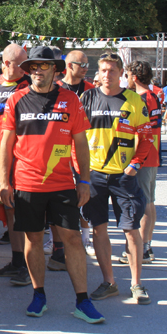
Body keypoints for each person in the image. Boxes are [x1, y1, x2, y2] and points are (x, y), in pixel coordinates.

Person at [0, 47, 104, 323]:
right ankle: (38, 295)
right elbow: (6, 145)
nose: (37, 71)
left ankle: (83, 300)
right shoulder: (16, 99)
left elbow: (81, 144)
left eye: (43, 66)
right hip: (27, 183)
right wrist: (4, 182)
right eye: (33, 66)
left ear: (55, 70)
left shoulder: (71, 99)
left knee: (73, 239)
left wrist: (84, 180)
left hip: (62, 183)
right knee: (33, 239)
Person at [80, 52, 153, 305]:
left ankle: (136, 284)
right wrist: (80, 171)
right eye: (103, 70)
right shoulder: (86, 98)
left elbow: (147, 137)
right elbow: (75, 137)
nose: (107, 74)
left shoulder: (134, 100)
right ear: (98, 72)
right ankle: (109, 282)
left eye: (112, 70)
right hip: (94, 176)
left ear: (122, 73)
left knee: (131, 230)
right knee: (99, 229)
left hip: (123, 176)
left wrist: (134, 166)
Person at [0, 43, 31, 286]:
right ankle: (17, 260)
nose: (25, 68)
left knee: (23, 209)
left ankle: (29, 265)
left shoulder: (29, 84)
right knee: (9, 207)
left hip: (21, 155)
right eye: (21, 64)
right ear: (7, 63)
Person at [120, 61, 162, 265]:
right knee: (149, 201)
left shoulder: (142, 98)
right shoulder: (153, 95)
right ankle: (147, 246)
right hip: (152, 155)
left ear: (134, 77)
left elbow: (142, 131)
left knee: (142, 203)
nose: (126, 79)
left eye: (127, 75)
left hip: (143, 157)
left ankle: (143, 248)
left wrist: (134, 159)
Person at [57, 50, 97, 260]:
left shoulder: (91, 90)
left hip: (83, 148)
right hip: (60, 150)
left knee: (84, 193)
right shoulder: (56, 88)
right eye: (82, 64)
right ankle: (56, 241)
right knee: (59, 196)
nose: (86, 68)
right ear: (69, 65)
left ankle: (86, 237)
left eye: (87, 64)